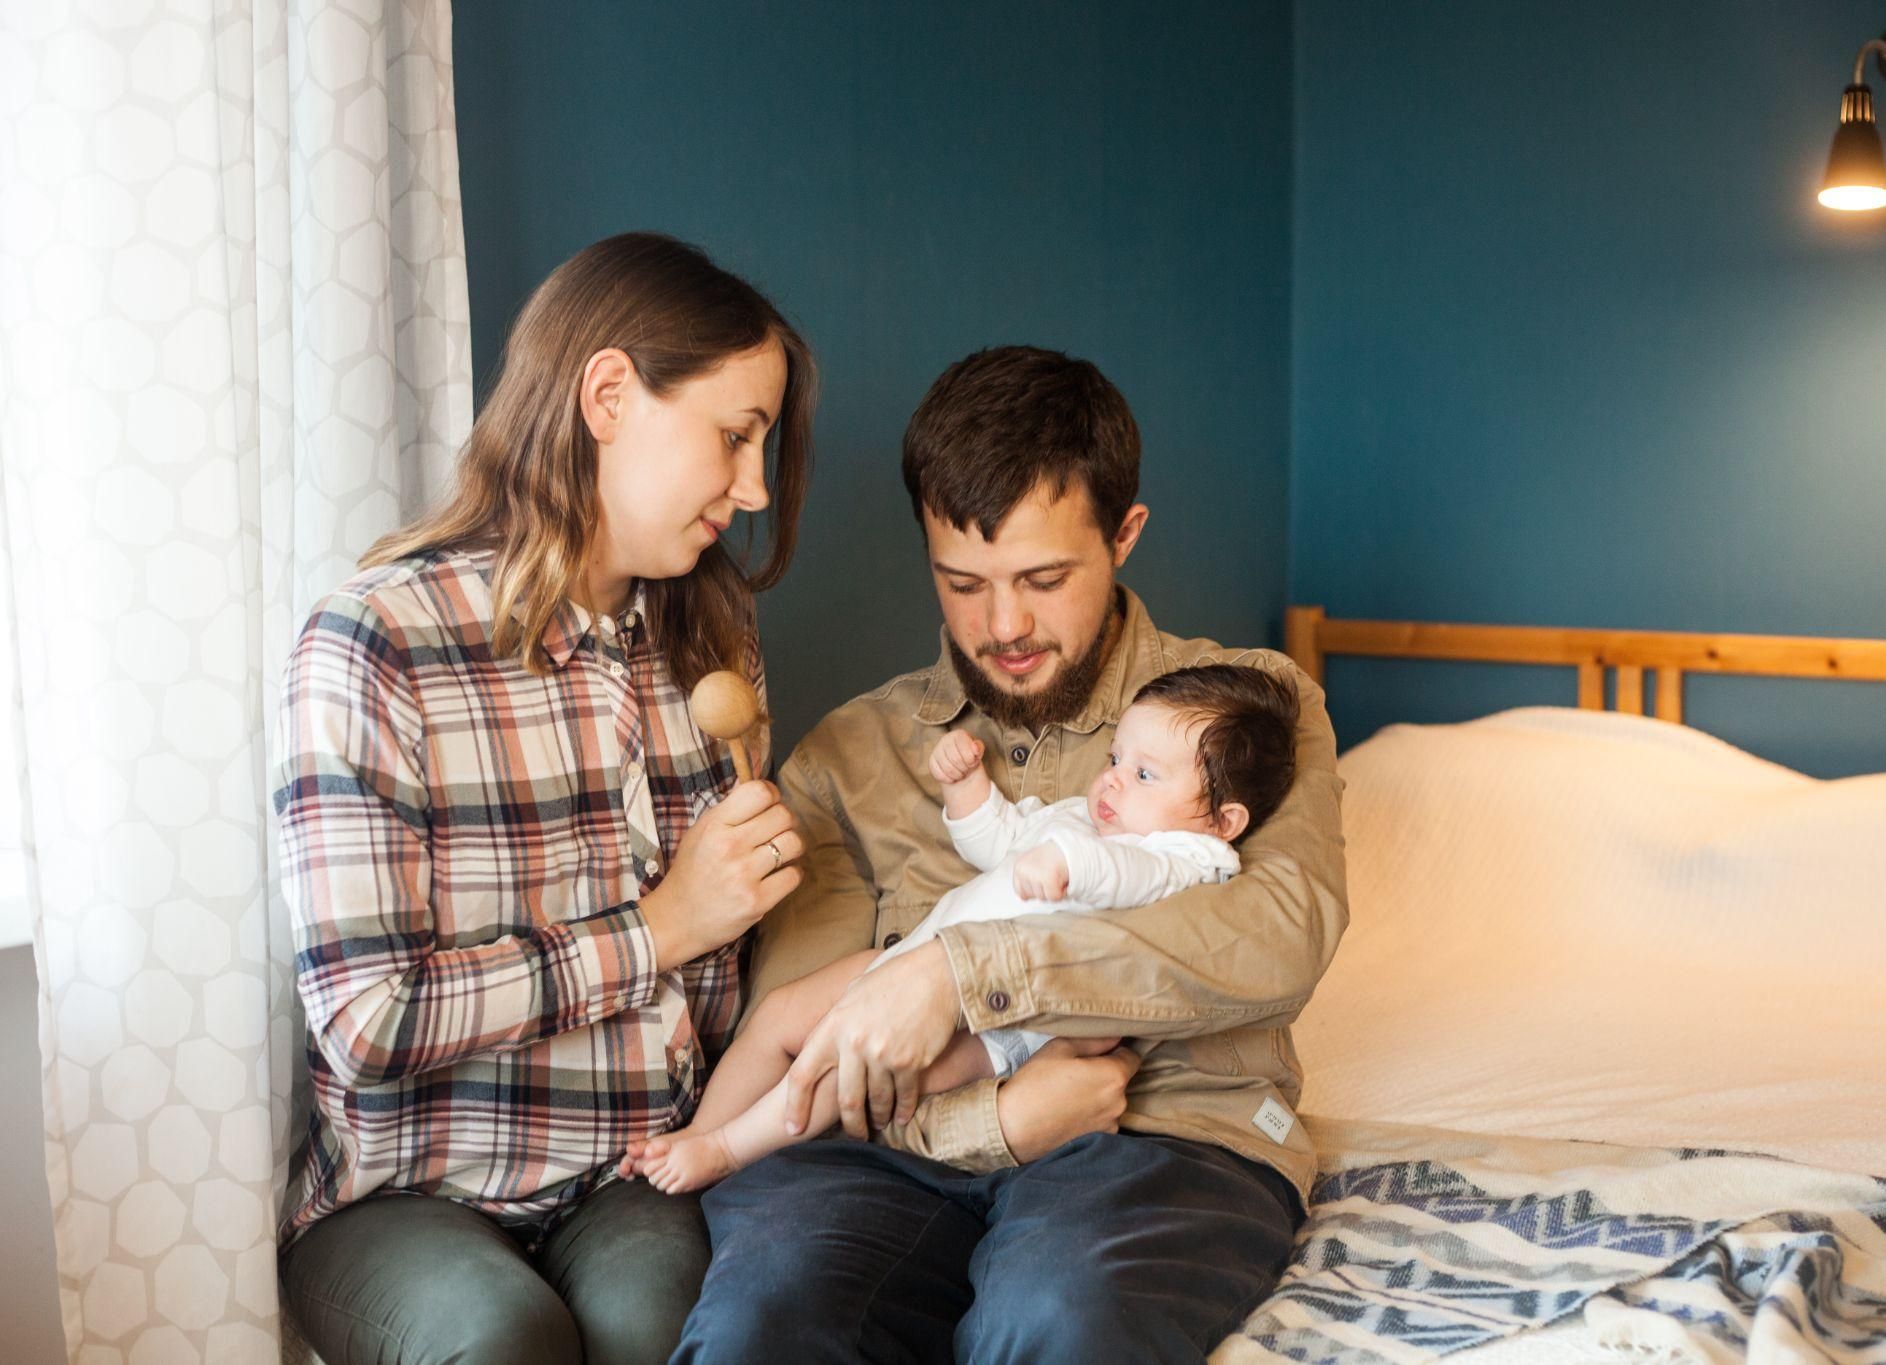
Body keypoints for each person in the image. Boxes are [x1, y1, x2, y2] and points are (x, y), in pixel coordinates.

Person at [673, 345, 1348, 1363]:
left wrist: (962, 976)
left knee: (1055, 1318)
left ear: (1123, 535)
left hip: (1165, 1140)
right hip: (887, 1159)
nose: (1004, 626)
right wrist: (990, 1123)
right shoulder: (850, 756)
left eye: (1042, 578)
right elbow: (819, 1048)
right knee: (755, 1325)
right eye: (962, 582)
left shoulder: (1251, 712)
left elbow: (1274, 935)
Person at [271, 232, 816, 1365]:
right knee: (498, 1339)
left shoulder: (712, 641)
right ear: (609, 394)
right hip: (407, 1193)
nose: (754, 488)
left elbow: (727, 991)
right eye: (734, 436)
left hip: (627, 1175)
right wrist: (660, 926)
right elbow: (368, 1021)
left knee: (676, 1328)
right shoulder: (375, 642)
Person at [624, 663, 1301, 1193]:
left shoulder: (1192, 856)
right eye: (1116, 757)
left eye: (1145, 772)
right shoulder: (1084, 816)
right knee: (782, 1010)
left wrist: (1066, 861)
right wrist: (968, 790)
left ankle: (727, 1149)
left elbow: (1127, 875)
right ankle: (699, 1136)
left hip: (996, 1025)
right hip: (919, 960)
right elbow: (999, 841)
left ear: (1223, 819)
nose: (1115, 781)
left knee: (852, 1070)